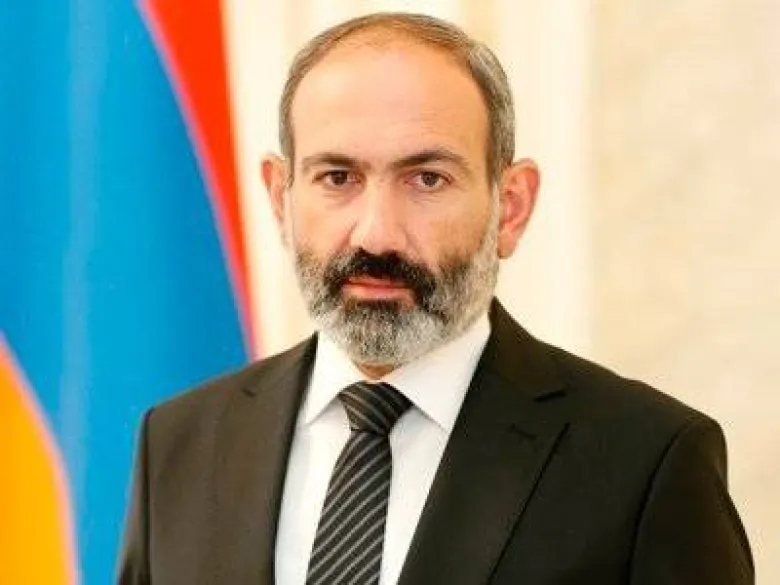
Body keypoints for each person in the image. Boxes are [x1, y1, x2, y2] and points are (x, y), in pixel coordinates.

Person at [118, 12, 754, 585]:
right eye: (337, 177)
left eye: (427, 179)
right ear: (279, 198)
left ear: (511, 207)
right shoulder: (178, 442)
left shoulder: (648, 463)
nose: (376, 234)